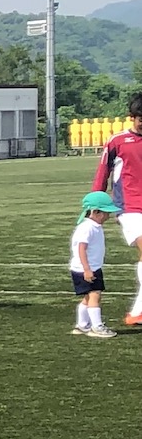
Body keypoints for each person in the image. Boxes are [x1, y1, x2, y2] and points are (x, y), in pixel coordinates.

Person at [89, 92, 142, 325]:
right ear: (132, 117)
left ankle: (137, 312)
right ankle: (138, 311)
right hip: (129, 208)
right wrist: (96, 205)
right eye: (141, 119)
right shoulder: (117, 141)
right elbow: (103, 173)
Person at [73, 190, 118, 339]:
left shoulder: (94, 226)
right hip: (87, 269)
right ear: (96, 212)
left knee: (88, 297)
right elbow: (81, 248)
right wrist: (87, 269)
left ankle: (82, 325)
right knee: (95, 296)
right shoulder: (87, 227)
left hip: (92, 267)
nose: (108, 216)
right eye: (106, 213)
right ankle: (97, 327)